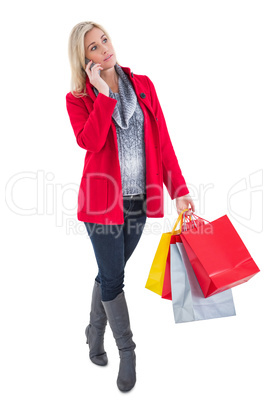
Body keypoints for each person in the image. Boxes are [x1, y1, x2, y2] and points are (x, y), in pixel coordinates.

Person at [66, 21, 195, 392]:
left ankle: (93, 331)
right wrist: (103, 95)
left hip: (139, 202)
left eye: (104, 39)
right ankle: (128, 352)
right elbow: (89, 142)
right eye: (92, 47)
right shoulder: (78, 99)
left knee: (110, 273)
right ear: (83, 59)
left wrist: (179, 189)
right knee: (114, 278)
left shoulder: (143, 85)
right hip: (102, 205)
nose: (103, 48)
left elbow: (163, 141)